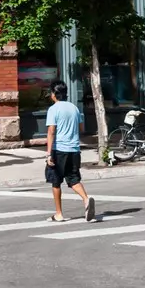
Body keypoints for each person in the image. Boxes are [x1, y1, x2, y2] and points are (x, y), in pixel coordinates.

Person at [44, 81, 96, 223]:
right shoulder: (74, 108)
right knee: (73, 179)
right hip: (74, 150)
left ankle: (59, 213)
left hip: (59, 149)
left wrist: (48, 154)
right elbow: (81, 129)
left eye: (51, 92)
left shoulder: (53, 109)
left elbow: (51, 131)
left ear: (54, 94)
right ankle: (86, 199)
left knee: (55, 181)